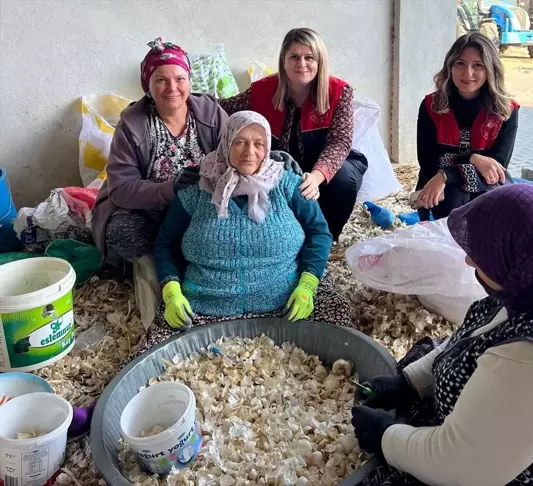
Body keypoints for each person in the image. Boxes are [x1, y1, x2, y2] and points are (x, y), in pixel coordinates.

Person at [351, 184, 533, 486]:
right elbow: (476, 334)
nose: (469, 260)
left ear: (519, 264)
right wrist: (409, 382)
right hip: (520, 429)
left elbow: (461, 467)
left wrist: (386, 437)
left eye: (483, 252)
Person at [137, 111, 355, 354]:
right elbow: (165, 243)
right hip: (206, 306)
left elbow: (319, 233)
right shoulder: (197, 190)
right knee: (157, 359)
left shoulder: (288, 184)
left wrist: (308, 284)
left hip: (286, 302)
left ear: (268, 147)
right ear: (226, 142)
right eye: (240, 142)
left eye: (258, 143)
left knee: (343, 345)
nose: (249, 152)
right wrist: (171, 290)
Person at [91, 38, 299, 267]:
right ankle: (158, 267)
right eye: (161, 80)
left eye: (180, 79)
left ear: (189, 81)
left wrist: (271, 161)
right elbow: (121, 189)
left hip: (202, 203)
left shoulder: (208, 112)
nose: (172, 88)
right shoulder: (133, 124)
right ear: (147, 85)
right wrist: (169, 189)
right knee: (126, 233)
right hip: (151, 210)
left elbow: (237, 149)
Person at [219, 28, 368, 241]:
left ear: (320, 61)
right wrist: (185, 99)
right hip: (283, 160)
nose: (302, 64)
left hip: (325, 161)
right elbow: (224, 107)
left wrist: (318, 176)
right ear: (283, 60)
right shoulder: (263, 89)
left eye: (309, 57)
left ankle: (326, 237)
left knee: (343, 180)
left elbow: (340, 141)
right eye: (294, 57)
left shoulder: (339, 92)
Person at [415, 32, 519, 221]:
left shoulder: (506, 110)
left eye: (477, 65)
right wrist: (473, 158)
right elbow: (429, 162)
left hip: (484, 182)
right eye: (460, 64)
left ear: (490, 69)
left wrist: (447, 173)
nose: (467, 73)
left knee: (493, 206)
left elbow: (496, 168)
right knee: (454, 198)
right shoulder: (431, 106)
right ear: (450, 66)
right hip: (439, 182)